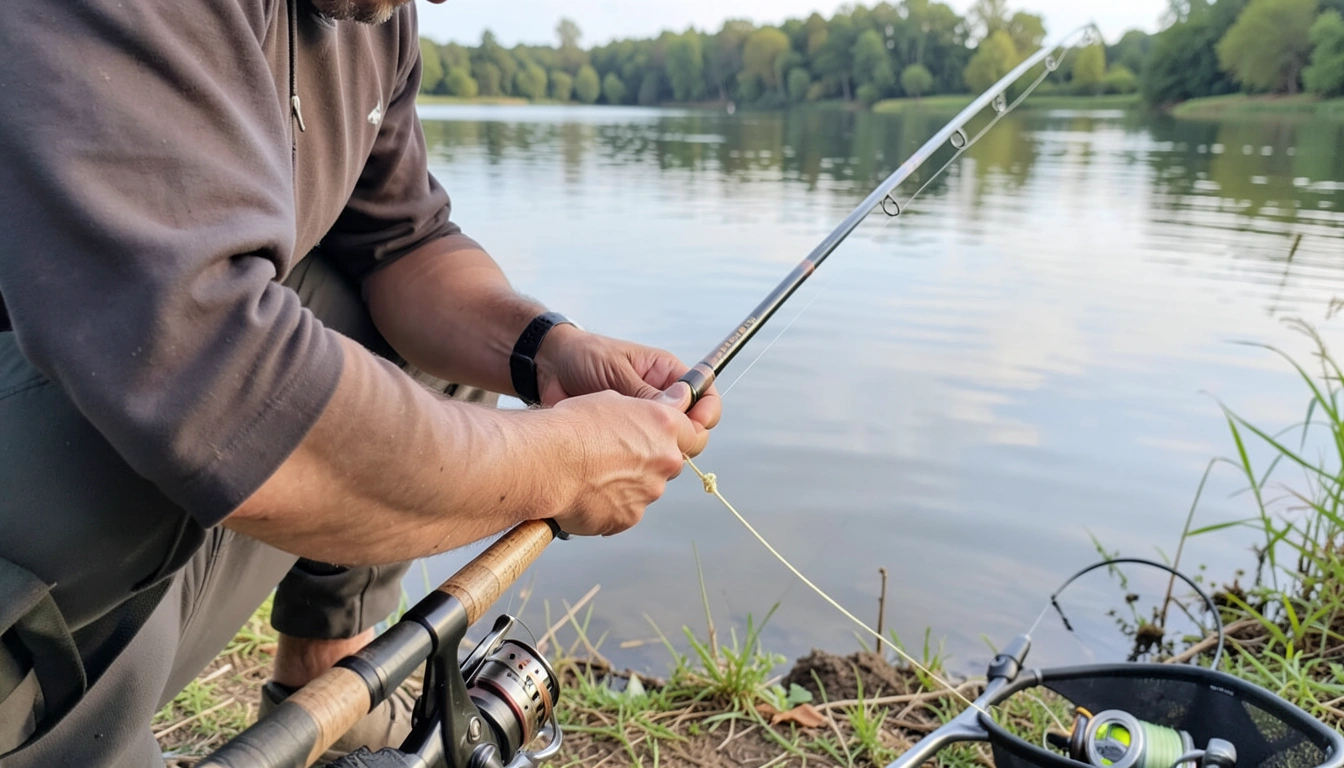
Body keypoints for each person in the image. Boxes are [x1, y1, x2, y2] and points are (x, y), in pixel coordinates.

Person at [0, 0, 722, 765]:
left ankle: (330, 694)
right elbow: (206, 369)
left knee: (387, 327)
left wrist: (547, 351)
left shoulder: (375, 17)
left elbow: (400, 242)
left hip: (90, 563)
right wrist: (562, 465)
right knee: (137, 372)